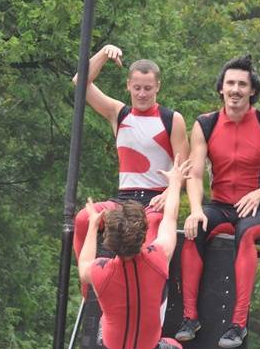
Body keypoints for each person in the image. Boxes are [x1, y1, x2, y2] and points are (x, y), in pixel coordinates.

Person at [176, 54, 260, 349]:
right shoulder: (205, 124)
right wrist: (195, 210)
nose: (235, 90)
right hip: (219, 205)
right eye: (230, 83)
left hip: (257, 209)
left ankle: (238, 324)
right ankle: (190, 318)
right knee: (193, 230)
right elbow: (194, 174)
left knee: (245, 233)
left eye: (242, 85)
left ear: (252, 90)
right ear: (221, 88)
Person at [78, 155, 191, 349]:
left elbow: (83, 265)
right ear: (142, 237)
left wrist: (92, 225)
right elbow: (170, 218)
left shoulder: (99, 271)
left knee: (106, 314)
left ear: (109, 241)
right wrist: (175, 183)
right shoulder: (159, 257)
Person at [72, 45, 189, 289]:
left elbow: (185, 170)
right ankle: (89, 287)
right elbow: (80, 82)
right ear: (128, 86)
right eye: (137, 88)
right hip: (123, 199)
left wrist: (169, 193)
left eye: (148, 88)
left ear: (157, 87)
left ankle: (144, 292)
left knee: (149, 235)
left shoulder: (171, 119)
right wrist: (104, 53)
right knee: (84, 218)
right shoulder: (119, 113)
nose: (142, 94)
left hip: (155, 200)